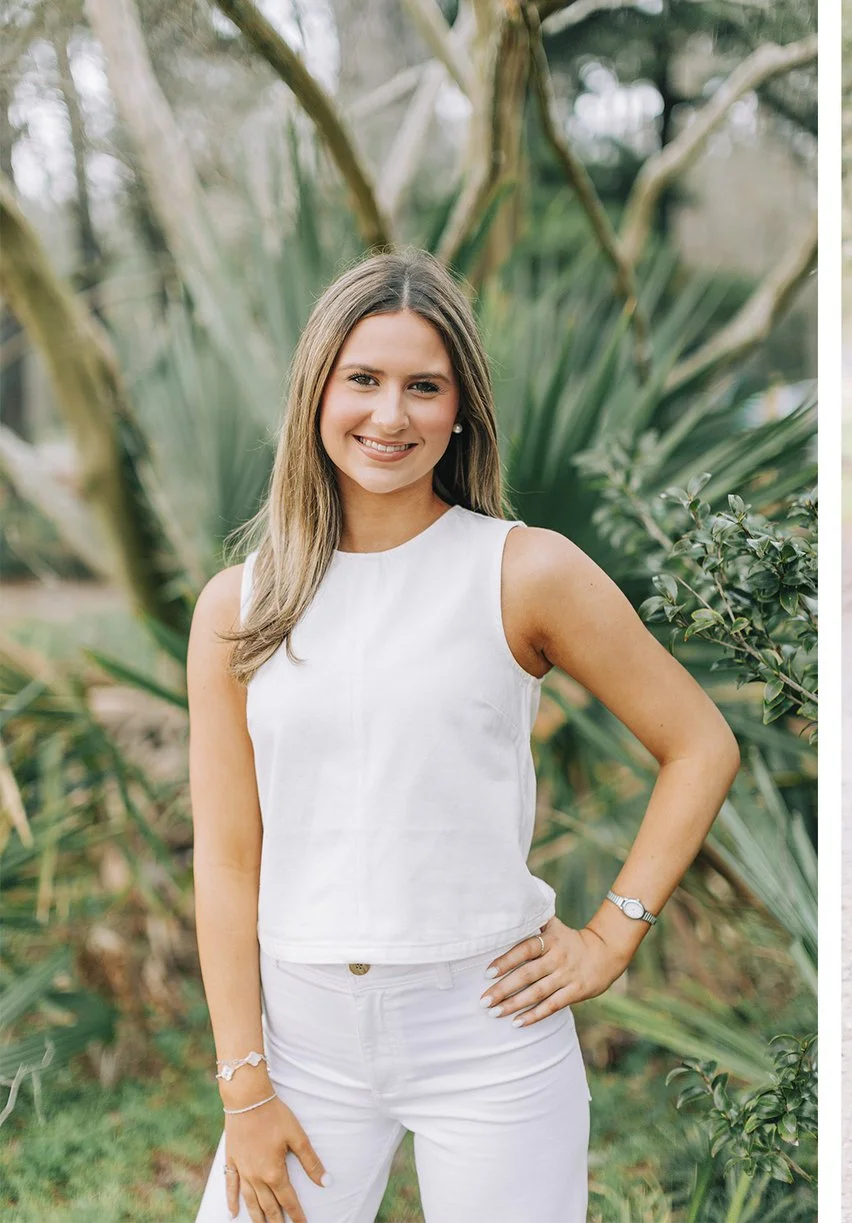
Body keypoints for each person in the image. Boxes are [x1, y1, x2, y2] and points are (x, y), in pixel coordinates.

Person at [187, 249, 742, 1222]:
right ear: (317, 392)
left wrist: (612, 934)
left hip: (489, 1031)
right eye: (363, 378)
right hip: (302, 1041)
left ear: (460, 408)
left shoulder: (525, 571)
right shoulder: (240, 603)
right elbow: (229, 858)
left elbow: (700, 743)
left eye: (423, 386)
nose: (389, 414)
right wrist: (244, 1081)